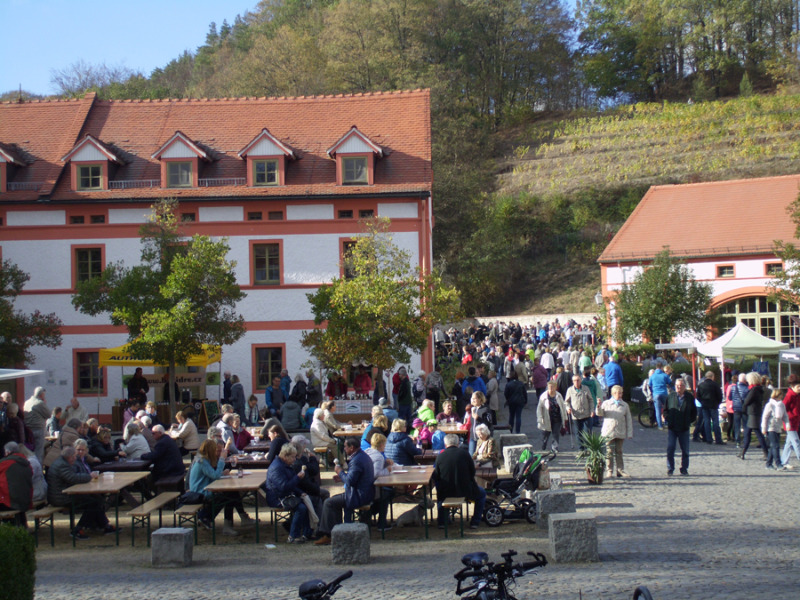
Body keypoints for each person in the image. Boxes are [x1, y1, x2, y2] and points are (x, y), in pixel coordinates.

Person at [47, 445, 117, 540]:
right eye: (75, 456)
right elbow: (73, 478)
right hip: (60, 498)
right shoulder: (62, 465)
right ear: (70, 457)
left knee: (96, 499)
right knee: (93, 503)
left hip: (61, 494)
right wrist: (89, 476)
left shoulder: (62, 462)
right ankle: (78, 529)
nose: (76, 458)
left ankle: (104, 525)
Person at [314, 437, 374, 545]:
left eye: (345, 446)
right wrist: (342, 477)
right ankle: (336, 531)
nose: (344, 448)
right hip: (363, 493)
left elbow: (350, 481)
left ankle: (327, 534)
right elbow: (354, 478)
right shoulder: (362, 456)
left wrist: (340, 472)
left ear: (352, 448)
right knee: (334, 502)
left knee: (329, 502)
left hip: (358, 495)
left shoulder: (356, 460)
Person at [188, 439, 251, 535]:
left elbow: (211, 474)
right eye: (215, 450)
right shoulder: (202, 461)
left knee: (231, 492)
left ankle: (224, 522)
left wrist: (222, 473)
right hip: (200, 492)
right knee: (228, 495)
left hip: (205, 488)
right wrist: (222, 459)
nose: (217, 452)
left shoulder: (204, 459)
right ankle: (209, 518)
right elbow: (215, 476)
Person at [433, 433, 485, 530]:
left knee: (440, 494)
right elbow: (472, 472)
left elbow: (436, 476)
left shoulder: (440, 456)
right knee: (482, 494)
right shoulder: (465, 454)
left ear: (445, 444)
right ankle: (475, 521)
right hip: (466, 490)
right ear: (458, 444)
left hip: (446, 491)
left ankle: (442, 521)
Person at [266, 443, 314, 543]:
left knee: (307, 502)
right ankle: (293, 536)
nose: (295, 459)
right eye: (293, 457)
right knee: (301, 508)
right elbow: (284, 487)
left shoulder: (285, 465)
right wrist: (297, 478)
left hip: (285, 495)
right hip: (277, 498)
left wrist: (301, 493)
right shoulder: (276, 468)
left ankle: (306, 533)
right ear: (285, 456)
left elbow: (289, 484)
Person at [597, 385, 634, 478]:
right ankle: (609, 470)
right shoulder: (606, 403)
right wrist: (598, 406)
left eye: (621, 393)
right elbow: (599, 413)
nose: (620, 395)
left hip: (620, 431)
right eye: (618, 393)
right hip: (608, 431)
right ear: (613, 393)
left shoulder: (625, 405)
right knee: (609, 452)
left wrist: (629, 433)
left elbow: (629, 420)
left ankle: (620, 470)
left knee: (619, 451)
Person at [662, 378, 697, 476]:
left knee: (685, 449)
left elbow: (694, 412)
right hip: (672, 427)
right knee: (671, 448)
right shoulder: (671, 396)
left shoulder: (689, 397)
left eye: (680, 385)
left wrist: (688, 421)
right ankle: (670, 468)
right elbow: (665, 410)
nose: (678, 387)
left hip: (684, 428)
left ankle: (684, 468)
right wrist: (668, 418)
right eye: (676, 385)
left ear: (684, 387)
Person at [364, 433, 394, 531]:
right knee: (387, 494)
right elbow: (376, 473)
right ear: (381, 445)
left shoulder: (367, 452)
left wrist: (385, 464)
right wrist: (388, 470)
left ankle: (371, 514)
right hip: (371, 488)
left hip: (364, 486)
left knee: (386, 492)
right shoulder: (379, 456)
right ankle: (381, 523)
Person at [0, 442, 33, 526]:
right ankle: (23, 526)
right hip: (25, 500)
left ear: (7, 452)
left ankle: (8, 529)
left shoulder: (5, 463)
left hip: (10, 502)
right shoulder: (26, 463)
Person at [740, 372, 768, 460]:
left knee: (757, 433)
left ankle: (766, 453)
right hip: (755, 412)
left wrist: (743, 408)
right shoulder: (759, 389)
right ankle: (743, 452)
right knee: (748, 433)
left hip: (752, 413)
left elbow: (747, 401)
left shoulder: (754, 390)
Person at [537, 381, 567, 453]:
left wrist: (565, 417)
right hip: (547, 418)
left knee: (556, 433)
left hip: (557, 418)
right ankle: (544, 444)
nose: (551, 388)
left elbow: (563, 406)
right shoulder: (543, 396)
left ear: (555, 387)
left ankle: (554, 447)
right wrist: (540, 418)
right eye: (549, 387)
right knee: (546, 434)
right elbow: (539, 408)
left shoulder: (559, 396)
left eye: (552, 386)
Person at [762, 388, 788, 470]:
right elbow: (765, 417)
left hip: (778, 427)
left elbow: (785, 416)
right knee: (776, 446)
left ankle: (768, 464)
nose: (782, 397)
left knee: (773, 446)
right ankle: (778, 463)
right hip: (770, 427)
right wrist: (764, 428)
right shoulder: (769, 405)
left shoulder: (781, 405)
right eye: (781, 395)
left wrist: (787, 424)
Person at [565, 373, 594, 446]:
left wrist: (592, 410)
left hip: (586, 414)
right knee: (578, 433)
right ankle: (581, 449)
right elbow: (566, 402)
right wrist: (568, 408)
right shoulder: (570, 390)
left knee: (587, 432)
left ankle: (588, 448)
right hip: (576, 415)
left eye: (578, 380)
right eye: (574, 381)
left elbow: (591, 400)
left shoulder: (586, 388)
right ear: (572, 381)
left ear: (581, 380)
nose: (576, 382)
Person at [696, 371, 724, 444]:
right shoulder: (715, 385)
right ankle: (718, 439)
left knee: (707, 422)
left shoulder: (701, 385)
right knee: (715, 422)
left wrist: (702, 402)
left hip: (704, 405)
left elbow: (698, 396)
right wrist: (718, 402)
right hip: (714, 405)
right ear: (712, 376)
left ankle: (708, 438)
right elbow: (720, 396)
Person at [23, 387, 49, 462]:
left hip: (28, 430)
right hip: (38, 429)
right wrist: (44, 404)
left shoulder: (27, 402)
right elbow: (48, 414)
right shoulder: (40, 403)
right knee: (39, 452)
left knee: (29, 451)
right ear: (41, 394)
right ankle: (38, 470)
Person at [781, 379, 800, 468]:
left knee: (789, 443)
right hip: (789, 422)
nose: (799, 388)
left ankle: (784, 461)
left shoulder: (797, 396)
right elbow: (783, 408)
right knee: (796, 442)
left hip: (796, 422)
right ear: (792, 387)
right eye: (798, 387)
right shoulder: (789, 395)